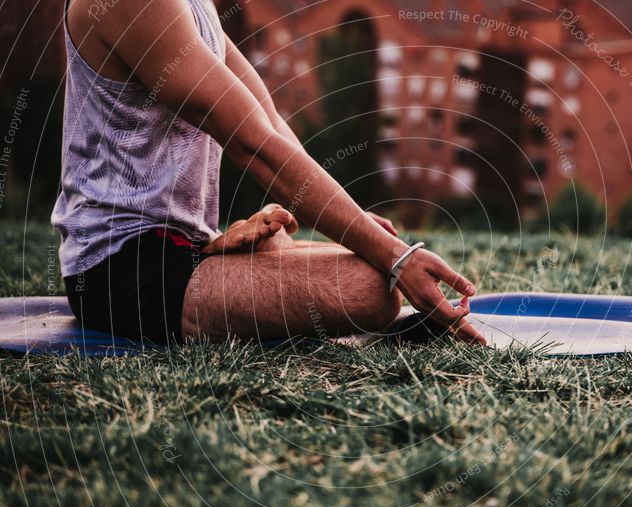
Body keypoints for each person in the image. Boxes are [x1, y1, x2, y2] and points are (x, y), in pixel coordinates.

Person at [52, 0, 485, 345]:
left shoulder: (191, 5)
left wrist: (353, 227)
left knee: (369, 265)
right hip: (120, 269)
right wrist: (393, 254)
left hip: (188, 248)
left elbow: (269, 122)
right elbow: (252, 143)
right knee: (372, 289)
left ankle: (234, 252)